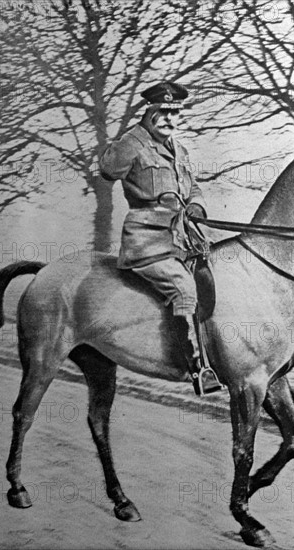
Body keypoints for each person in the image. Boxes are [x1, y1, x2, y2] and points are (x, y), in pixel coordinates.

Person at [99, 81, 222, 396]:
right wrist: (138, 133)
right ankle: (195, 368)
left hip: (181, 240)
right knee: (184, 290)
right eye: (162, 111)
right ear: (149, 113)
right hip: (147, 243)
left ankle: (219, 353)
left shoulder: (179, 149)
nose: (170, 118)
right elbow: (108, 169)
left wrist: (196, 206)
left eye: (175, 112)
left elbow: (192, 187)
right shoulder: (135, 143)